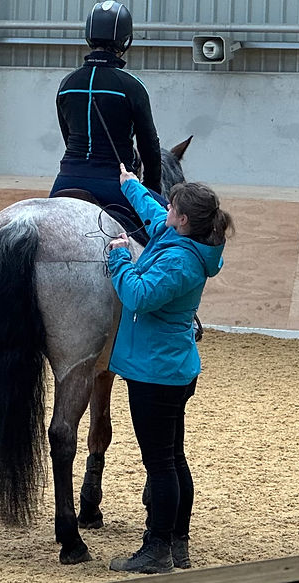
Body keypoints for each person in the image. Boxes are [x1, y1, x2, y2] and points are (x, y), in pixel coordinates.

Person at [105, 163, 234, 574]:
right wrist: (130, 185)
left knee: (160, 464)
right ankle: (178, 542)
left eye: (172, 207)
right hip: (170, 368)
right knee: (173, 458)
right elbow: (152, 210)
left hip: (155, 373)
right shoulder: (184, 235)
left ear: (183, 217)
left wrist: (119, 258)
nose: (167, 211)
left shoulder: (180, 262)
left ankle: (156, 549)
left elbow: (139, 296)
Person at [49, 0, 163, 239]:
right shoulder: (132, 86)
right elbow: (149, 148)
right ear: (125, 40)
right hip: (115, 186)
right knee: (171, 232)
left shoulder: (66, 85)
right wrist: (150, 190)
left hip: (65, 181)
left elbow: (68, 138)